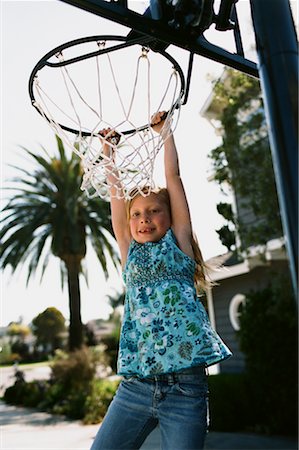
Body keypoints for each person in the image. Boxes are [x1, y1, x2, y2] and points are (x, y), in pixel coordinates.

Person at [90, 112, 232, 450]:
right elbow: (117, 199)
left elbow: (173, 177)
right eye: (137, 213)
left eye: (153, 210)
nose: (144, 219)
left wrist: (165, 134)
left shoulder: (179, 245)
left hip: (185, 390)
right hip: (136, 386)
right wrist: (109, 155)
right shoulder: (129, 250)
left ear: (169, 217)